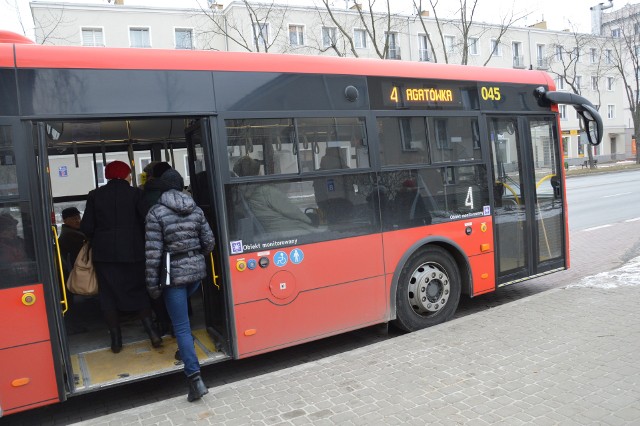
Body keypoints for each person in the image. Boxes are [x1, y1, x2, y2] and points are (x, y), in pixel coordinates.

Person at [145, 169, 215, 402]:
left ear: (163, 188)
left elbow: (153, 254)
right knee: (184, 319)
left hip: (172, 277)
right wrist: (194, 256)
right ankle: (187, 355)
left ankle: (195, 380)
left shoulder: (156, 212)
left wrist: (152, 285)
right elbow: (209, 243)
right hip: (195, 275)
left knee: (183, 327)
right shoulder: (195, 208)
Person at [80, 160, 162, 353]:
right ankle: (152, 333)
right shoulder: (136, 194)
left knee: (108, 296)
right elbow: (147, 221)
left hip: (105, 255)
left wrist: (100, 239)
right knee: (139, 290)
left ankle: (116, 341)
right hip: (134, 252)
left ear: (108, 175)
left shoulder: (95, 196)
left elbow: (87, 227)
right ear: (126, 175)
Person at [233, 156, 315, 233]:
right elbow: (291, 210)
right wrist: (309, 220)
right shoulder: (265, 191)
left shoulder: (244, 194)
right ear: (256, 173)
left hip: (272, 230)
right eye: (259, 170)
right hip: (287, 230)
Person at [58, 207, 86, 278]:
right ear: (65, 221)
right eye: (74, 219)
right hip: (78, 271)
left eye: (78, 217)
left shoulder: (75, 231)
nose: (78, 221)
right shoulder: (70, 235)